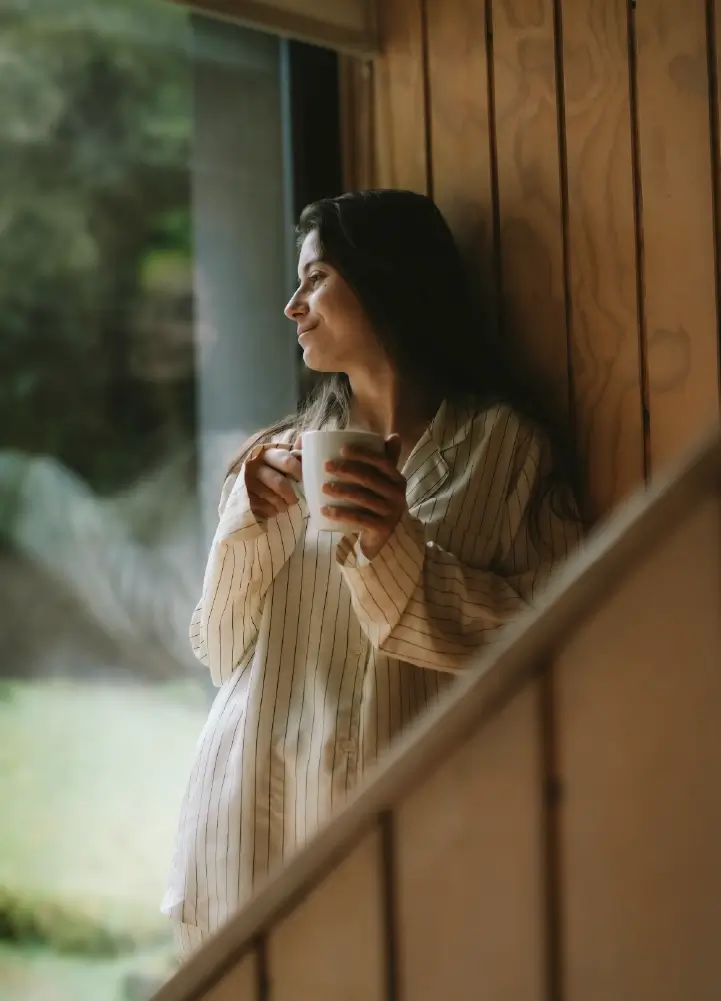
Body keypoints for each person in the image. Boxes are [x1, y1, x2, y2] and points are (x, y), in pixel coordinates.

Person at [162, 189, 581, 959]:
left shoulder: (504, 448)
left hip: (418, 837)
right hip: (252, 824)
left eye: (314, 278)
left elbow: (547, 636)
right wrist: (246, 526)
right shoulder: (276, 459)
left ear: (388, 279)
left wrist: (394, 546)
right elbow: (222, 653)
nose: (292, 306)